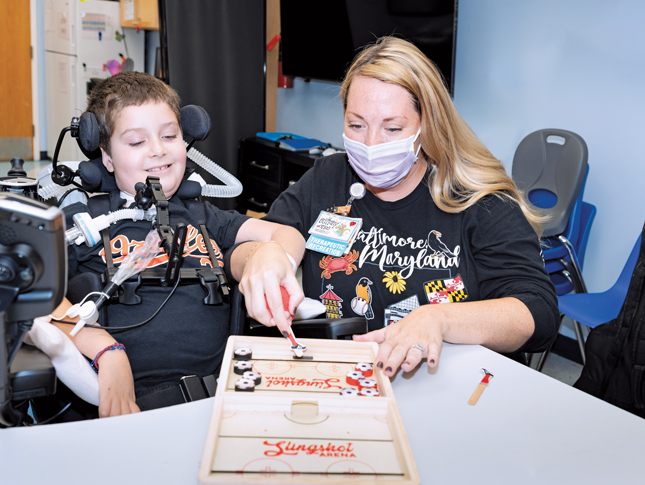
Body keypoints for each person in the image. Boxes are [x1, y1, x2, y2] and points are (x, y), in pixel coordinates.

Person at [263, 36, 559, 377]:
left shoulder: (480, 200)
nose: (371, 145)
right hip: (345, 381)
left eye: (392, 128)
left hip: (449, 388)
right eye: (356, 125)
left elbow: (538, 314)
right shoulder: (329, 177)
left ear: (426, 124)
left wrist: (439, 318)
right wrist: (271, 256)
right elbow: (273, 232)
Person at [42, 72, 305, 419]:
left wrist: (273, 259)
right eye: (136, 142)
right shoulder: (84, 225)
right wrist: (107, 350)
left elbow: (285, 234)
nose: (158, 150)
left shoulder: (204, 216)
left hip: (221, 400)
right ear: (106, 157)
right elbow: (34, 296)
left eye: (169, 135)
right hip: (131, 409)